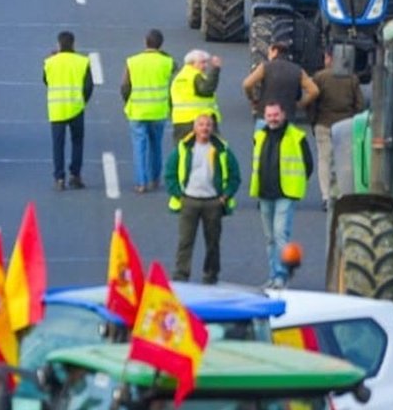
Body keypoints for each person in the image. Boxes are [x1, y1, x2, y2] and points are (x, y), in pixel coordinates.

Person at [165, 113, 239, 284]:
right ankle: (181, 274)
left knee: (213, 242)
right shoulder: (183, 148)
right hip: (189, 201)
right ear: (194, 128)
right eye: (201, 124)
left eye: (208, 125)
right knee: (185, 241)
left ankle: (211, 274)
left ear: (212, 128)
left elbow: (235, 176)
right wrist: (179, 194)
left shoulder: (223, 150)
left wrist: (225, 196)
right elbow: (170, 173)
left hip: (213, 202)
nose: (205, 128)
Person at [252, 101, 312, 289]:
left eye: (276, 115)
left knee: (280, 235)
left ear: (283, 115)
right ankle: (273, 275)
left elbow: (308, 164)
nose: (273, 118)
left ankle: (281, 276)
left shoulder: (297, 136)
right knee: (269, 238)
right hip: (264, 193)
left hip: (286, 193)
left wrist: (297, 184)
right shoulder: (259, 136)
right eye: (269, 115)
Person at [122, 30, 175, 194]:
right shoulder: (167, 62)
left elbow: (125, 87)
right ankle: (155, 179)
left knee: (139, 147)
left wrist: (127, 101)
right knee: (156, 146)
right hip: (158, 110)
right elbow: (176, 67)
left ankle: (141, 182)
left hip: (138, 110)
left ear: (145, 42)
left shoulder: (133, 61)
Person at [309, 48, 363, 208]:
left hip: (324, 124)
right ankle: (340, 194)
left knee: (324, 160)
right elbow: (359, 104)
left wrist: (313, 120)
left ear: (329, 58)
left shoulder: (320, 77)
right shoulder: (352, 79)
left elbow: (312, 102)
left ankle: (326, 196)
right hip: (345, 125)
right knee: (344, 162)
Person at [43, 31, 92, 191]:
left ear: (59, 44)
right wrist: (82, 100)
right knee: (77, 142)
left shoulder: (50, 62)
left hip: (56, 108)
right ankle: (75, 175)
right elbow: (88, 86)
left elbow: (46, 80)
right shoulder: (82, 61)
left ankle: (59, 178)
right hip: (76, 107)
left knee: (58, 144)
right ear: (73, 44)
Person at [242, 42, 320, 130]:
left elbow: (247, 84)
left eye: (269, 52)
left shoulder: (266, 67)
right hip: (288, 117)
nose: (268, 55)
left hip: (265, 115)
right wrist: (300, 104)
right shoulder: (297, 70)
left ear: (275, 51)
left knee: (262, 142)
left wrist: (252, 99)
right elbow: (314, 91)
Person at [170, 49, 222, 141]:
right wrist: (215, 70)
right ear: (191, 63)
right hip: (199, 122)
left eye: (206, 63)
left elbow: (170, 100)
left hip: (180, 122)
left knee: (184, 151)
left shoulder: (178, 77)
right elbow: (206, 89)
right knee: (211, 150)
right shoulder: (195, 76)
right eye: (202, 63)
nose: (205, 66)